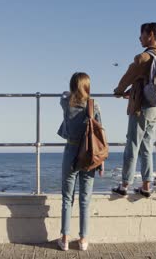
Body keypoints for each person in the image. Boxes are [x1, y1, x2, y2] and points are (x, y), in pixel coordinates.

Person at [112, 22, 156, 197]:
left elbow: (127, 77)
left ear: (150, 34)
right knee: (146, 145)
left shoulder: (143, 57)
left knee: (132, 145)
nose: (139, 38)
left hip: (142, 107)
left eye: (142, 34)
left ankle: (124, 185)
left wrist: (119, 92)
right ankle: (146, 185)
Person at [57, 72, 104, 251]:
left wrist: (71, 92)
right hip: (89, 155)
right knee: (85, 199)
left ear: (72, 86)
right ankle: (83, 240)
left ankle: (65, 239)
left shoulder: (66, 103)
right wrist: (101, 162)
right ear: (87, 86)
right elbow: (99, 136)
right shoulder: (93, 105)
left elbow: (61, 95)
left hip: (71, 151)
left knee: (67, 198)